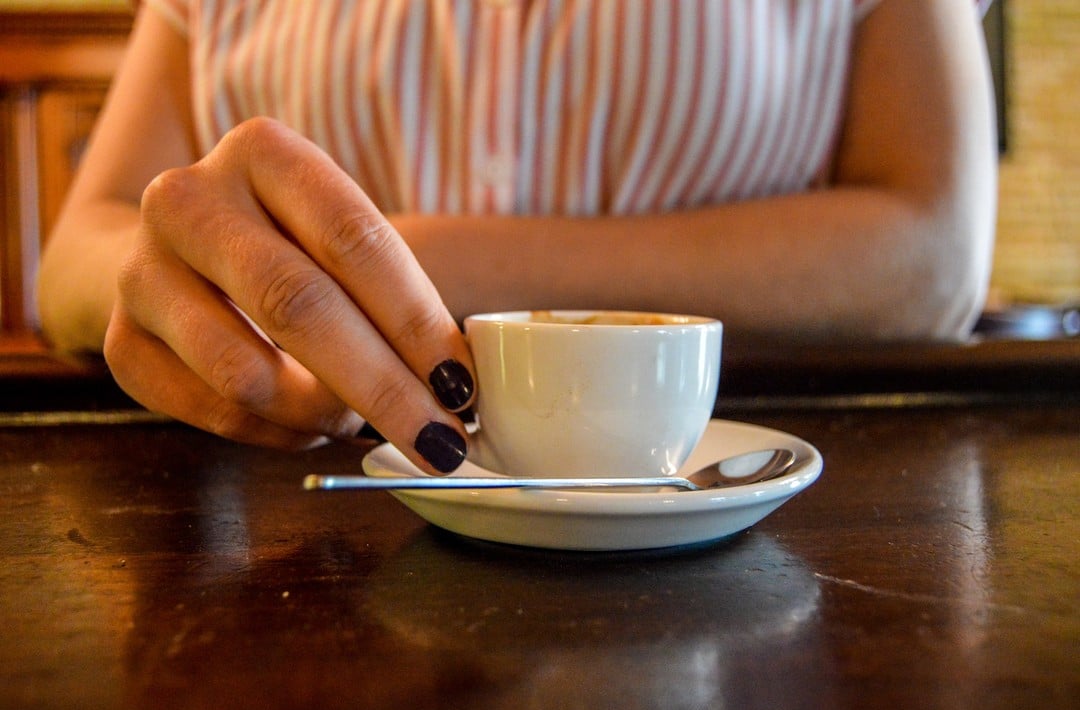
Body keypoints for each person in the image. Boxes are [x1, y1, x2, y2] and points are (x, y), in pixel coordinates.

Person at [35, 0, 997, 475]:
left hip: (758, 532)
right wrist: (161, 275)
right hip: (300, 524)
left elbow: (934, 252)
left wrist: (415, 262)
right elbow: (84, 243)